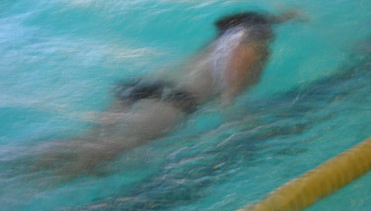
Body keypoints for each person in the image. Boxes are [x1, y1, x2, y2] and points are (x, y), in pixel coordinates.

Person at [39, 10, 303, 173]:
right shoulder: (251, 45)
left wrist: (284, 17)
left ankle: (25, 159)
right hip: (173, 102)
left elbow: (255, 22)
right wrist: (236, 110)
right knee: (105, 153)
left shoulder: (226, 37)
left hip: (141, 86)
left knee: (89, 142)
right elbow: (233, 77)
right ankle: (42, 185)